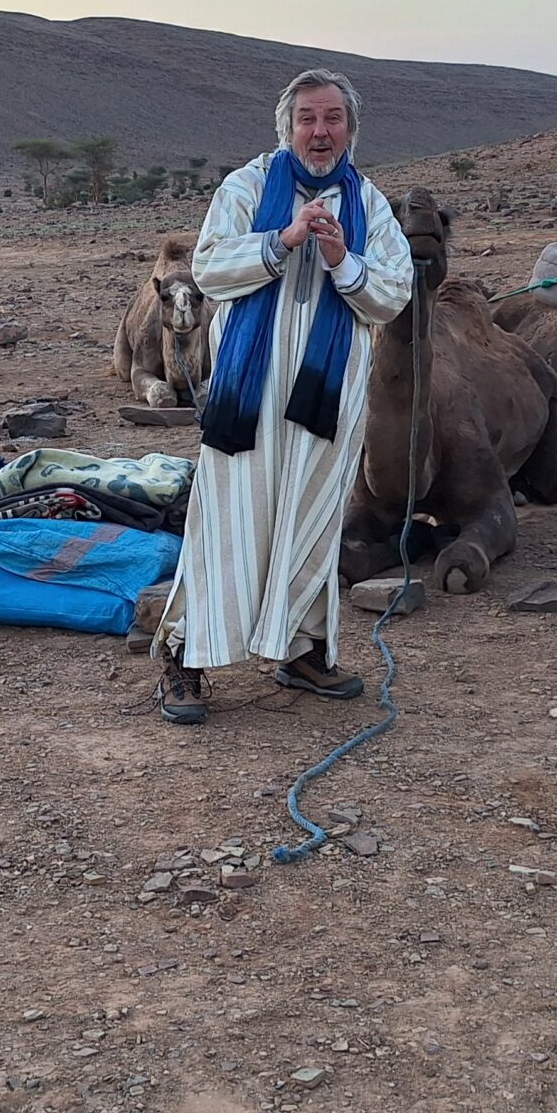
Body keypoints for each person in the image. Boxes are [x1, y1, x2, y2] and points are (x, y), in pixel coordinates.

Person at [154, 70, 417, 725]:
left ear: (350, 129)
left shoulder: (369, 205)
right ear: (287, 127)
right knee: (226, 520)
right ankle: (185, 657)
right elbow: (210, 268)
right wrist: (283, 240)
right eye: (308, 119)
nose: (320, 132)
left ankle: (301, 650)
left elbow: (392, 295)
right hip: (248, 392)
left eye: (333, 119)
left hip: (328, 394)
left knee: (313, 518)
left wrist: (343, 259)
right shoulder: (245, 188)